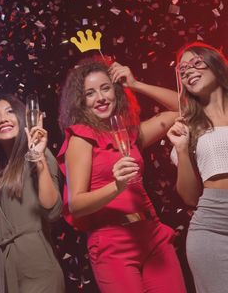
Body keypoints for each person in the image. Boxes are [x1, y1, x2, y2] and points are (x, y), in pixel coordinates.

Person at [57, 56, 187, 293]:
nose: (101, 98)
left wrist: (137, 84)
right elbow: (76, 204)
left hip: (152, 234)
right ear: (81, 101)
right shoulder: (81, 137)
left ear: (116, 91)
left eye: (106, 88)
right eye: (90, 93)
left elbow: (184, 108)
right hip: (112, 243)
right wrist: (116, 186)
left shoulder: (129, 134)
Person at [0, 94, 65, 293]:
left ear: (22, 117)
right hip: (3, 276)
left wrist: (40, 160)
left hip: (38, 271)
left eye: (10, 112)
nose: (3, 119)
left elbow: (53, 211)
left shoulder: (38, 156)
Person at [167, 42, 228, 293]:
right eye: (182, 69)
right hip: (211, 226)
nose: (188, 70)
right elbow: (190, 197)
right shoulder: (187, 127)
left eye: (196, 62)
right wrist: (181, 149)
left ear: (216, 64)